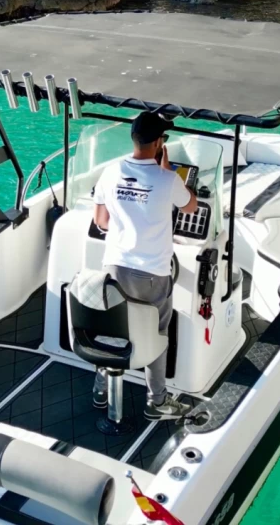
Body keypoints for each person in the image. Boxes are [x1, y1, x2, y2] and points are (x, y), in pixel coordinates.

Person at [92, 111, 198, 421]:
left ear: (134, 139)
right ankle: (157, 401)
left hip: (114, 267)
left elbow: (101, 221)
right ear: (158, 143)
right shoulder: (167, 180)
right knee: (157, 334)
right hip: (153, 274)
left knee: (113, 329)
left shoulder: (110, 172)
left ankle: (101, 389)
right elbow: (190, 206)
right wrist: (165, 170)